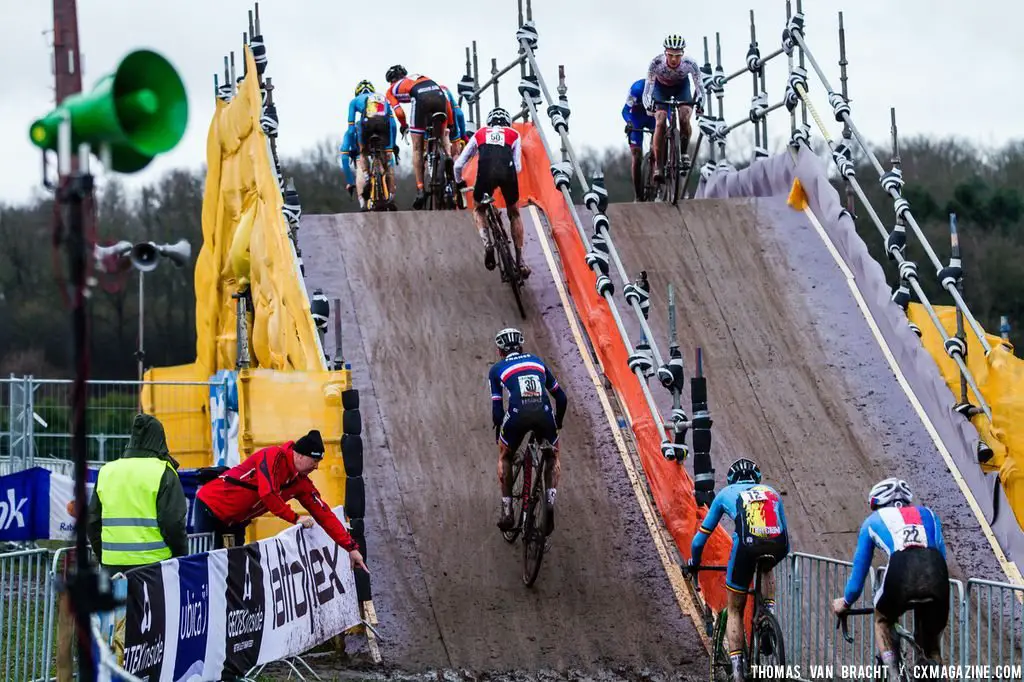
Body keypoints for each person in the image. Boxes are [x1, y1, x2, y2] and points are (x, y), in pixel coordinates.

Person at [194, 429, 368, 572]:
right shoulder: (272, 456)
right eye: (314, 460)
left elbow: (324, 514)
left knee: (232, 568)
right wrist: (295, 518)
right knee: (204, 563)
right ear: (299, 455)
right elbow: (267, 493)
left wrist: (351, 548)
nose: (316, 467)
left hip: (236, 521)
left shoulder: (301, 482)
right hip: (210, 507)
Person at [832, 478, 948, 675]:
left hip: (901, 571)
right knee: (932, 648)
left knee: (882, 620)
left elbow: (859, 574)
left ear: (876, 504)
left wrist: (846, 602)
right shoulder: (929, 514)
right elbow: (942, 557)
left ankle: (894, 674)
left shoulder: (872, 521)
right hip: (936, 574)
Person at [688, 458, 790, 682]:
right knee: (766, 565)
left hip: (746, 546)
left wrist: (694, 562)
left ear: (732, 479)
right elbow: (784, 533)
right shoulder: (770, 491)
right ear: (757, 479)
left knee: (734, 608)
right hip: (778, 544)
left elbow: (699, 541)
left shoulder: (726, 493)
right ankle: (768, 615)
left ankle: (737, 672)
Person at [87, 414, 188, 576]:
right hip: (155, 566)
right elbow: (173, 523)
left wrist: (104, 556)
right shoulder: (164, 472)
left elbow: (92, 522)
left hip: (113, 565)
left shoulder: (107, 471)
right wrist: (180, 557)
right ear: (160, 440)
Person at [488, 328, 568, 534]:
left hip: (517, 416)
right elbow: (561, 398)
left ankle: (507, 512)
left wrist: (500, 434)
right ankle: (549, 503)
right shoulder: (537, 362)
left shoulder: (496, 369)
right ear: (521, 346)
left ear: (500, 352)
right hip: (544, 414)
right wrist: (557, 423)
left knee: (505, 457)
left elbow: (497, 411)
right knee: (552, 457)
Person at [453, 107, 529, 277]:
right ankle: (520, 262)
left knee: (479, 209)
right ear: (507, 123)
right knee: (514, 213)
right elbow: (518, 167)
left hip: (485, 174)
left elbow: (458, 165)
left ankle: (488, 244)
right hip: (507, 172)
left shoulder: (480, 133)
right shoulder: (513, 134)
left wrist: (459, 182)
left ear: (489, 122)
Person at [384, 65, 453, 209]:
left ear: (391, 81)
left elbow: (400, 113)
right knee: (442, 135)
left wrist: (403, 125)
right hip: (440, 97)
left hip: (421, 99)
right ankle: (447, 158)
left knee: (417, 148)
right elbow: (447, 102)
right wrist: (450, 124)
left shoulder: (391, 90)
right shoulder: (418, 77)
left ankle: (420, 189)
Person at [642, 34, 704, 184]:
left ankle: (683, 153)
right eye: (670, 55)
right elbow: (647, 91)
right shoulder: (656, 63)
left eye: (678, 55)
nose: (674, 59)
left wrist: (701, 103)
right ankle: (658, 165)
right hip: (660, 88)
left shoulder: (690, 64)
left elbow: (700, 87)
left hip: (681, 88)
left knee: (684, 117)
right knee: (660, 121)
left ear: (682, 54)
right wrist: (648, 104)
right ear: (665, 53)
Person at [346, 79, 398, 209]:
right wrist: (392, 145)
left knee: (363, 152)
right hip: (383, 125)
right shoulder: (382, 98)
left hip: (367, 125)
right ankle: (391, 195)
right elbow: (393, 124)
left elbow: (351, 129)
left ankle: (366, 175)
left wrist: (353, 148)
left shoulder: (354, 102)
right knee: (388, 157)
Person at [622, 78, 658, 202]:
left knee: (657, 149)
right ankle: (638, 195)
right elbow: (625, 110)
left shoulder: (661, 88)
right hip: (636, 119)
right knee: (637, 155)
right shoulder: (636, 89)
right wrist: (629, 122)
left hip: (653, 118)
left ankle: (656, 182)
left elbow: (667, 110)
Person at [441, 84, 470, 158]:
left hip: (429, 110)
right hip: (448, 114)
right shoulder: (447, 92)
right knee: (456, 144)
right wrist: (463, 136)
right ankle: (454, 162)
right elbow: (460, 115)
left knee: (420, 147)